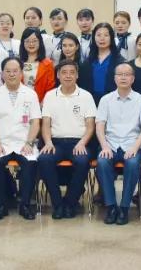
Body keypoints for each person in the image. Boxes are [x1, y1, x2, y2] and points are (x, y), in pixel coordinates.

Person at [38, 61, 96, 220]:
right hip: (55, 142)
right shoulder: (50, 95)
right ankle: (57, 204)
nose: (68, 76)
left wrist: (82, 142)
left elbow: (90, 126)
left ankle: (70, 203)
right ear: (58, 75)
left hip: (79, 142)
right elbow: (46, 123)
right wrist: (48, 142)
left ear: (77, 75)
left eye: (72, 72)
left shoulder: (86, 96)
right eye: (64, 72)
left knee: (82, 161)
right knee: (44, 159)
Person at [0, 57, 41, 220]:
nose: (11, 74)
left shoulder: (30, 94)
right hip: (1, 142)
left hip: (24, 141)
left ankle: (25, 205)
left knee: (30, 163)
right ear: (2, 74)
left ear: (21, 73)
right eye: (8, 71)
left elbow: (35, 121)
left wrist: (29, 143)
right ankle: (0, 206)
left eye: (15, 71)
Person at [95, 63, 141, 226]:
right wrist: (104, 146)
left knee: (132, 163)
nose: (123, 77)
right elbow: (100, 126)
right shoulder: (106, 100)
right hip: (111, 144)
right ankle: (111, 206)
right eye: (120, 74)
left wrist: (135, 147)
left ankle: (124, 207)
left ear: (133, 78)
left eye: (127, 74)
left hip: (134, 144)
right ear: (115, 78)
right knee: (102, 161)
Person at [85, 22, 123, 99]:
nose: (102, 38)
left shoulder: (119, 61)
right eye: (98, 35)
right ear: (94, 37)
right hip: (91, 99)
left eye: (106, 35)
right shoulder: (88, 61)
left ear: (111, 38)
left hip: (112, 99)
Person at [18, 27, 55, 102]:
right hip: (20, 102)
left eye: (34, 41)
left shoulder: (48, 64)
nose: (31, 44)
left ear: (40, 42)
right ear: (23, 43)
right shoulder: (17, 63)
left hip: (40, 103)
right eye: (27, 41)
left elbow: (50, 87)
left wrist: (43, 103)